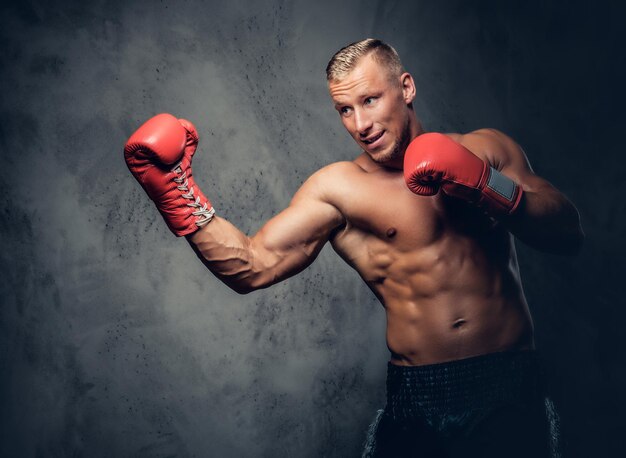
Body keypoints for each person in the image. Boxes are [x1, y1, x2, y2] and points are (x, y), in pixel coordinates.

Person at [124, 39, 583, 457]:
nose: (360, 124)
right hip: (415, 397)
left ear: (405, 87)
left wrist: (487, 185)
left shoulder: (484, 149)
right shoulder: (338, 189)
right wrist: (176, 194)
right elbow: (251, 266)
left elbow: (566, 232)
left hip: (508, 386)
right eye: (344, 110)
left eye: (369, 100)